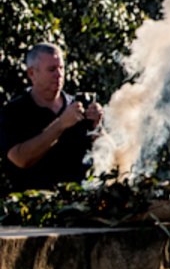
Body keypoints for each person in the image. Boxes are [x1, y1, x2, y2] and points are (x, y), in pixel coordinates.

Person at [0, 43, 103, 193]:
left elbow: (105, 154)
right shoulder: (13, 112)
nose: (59, 75)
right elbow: (20, 158)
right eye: (51, 69)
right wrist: (61, 124)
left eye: (61, 68)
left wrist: (97, 127)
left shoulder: (77, 106)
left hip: (79, 205)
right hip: (33, 208)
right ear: (32, 74)